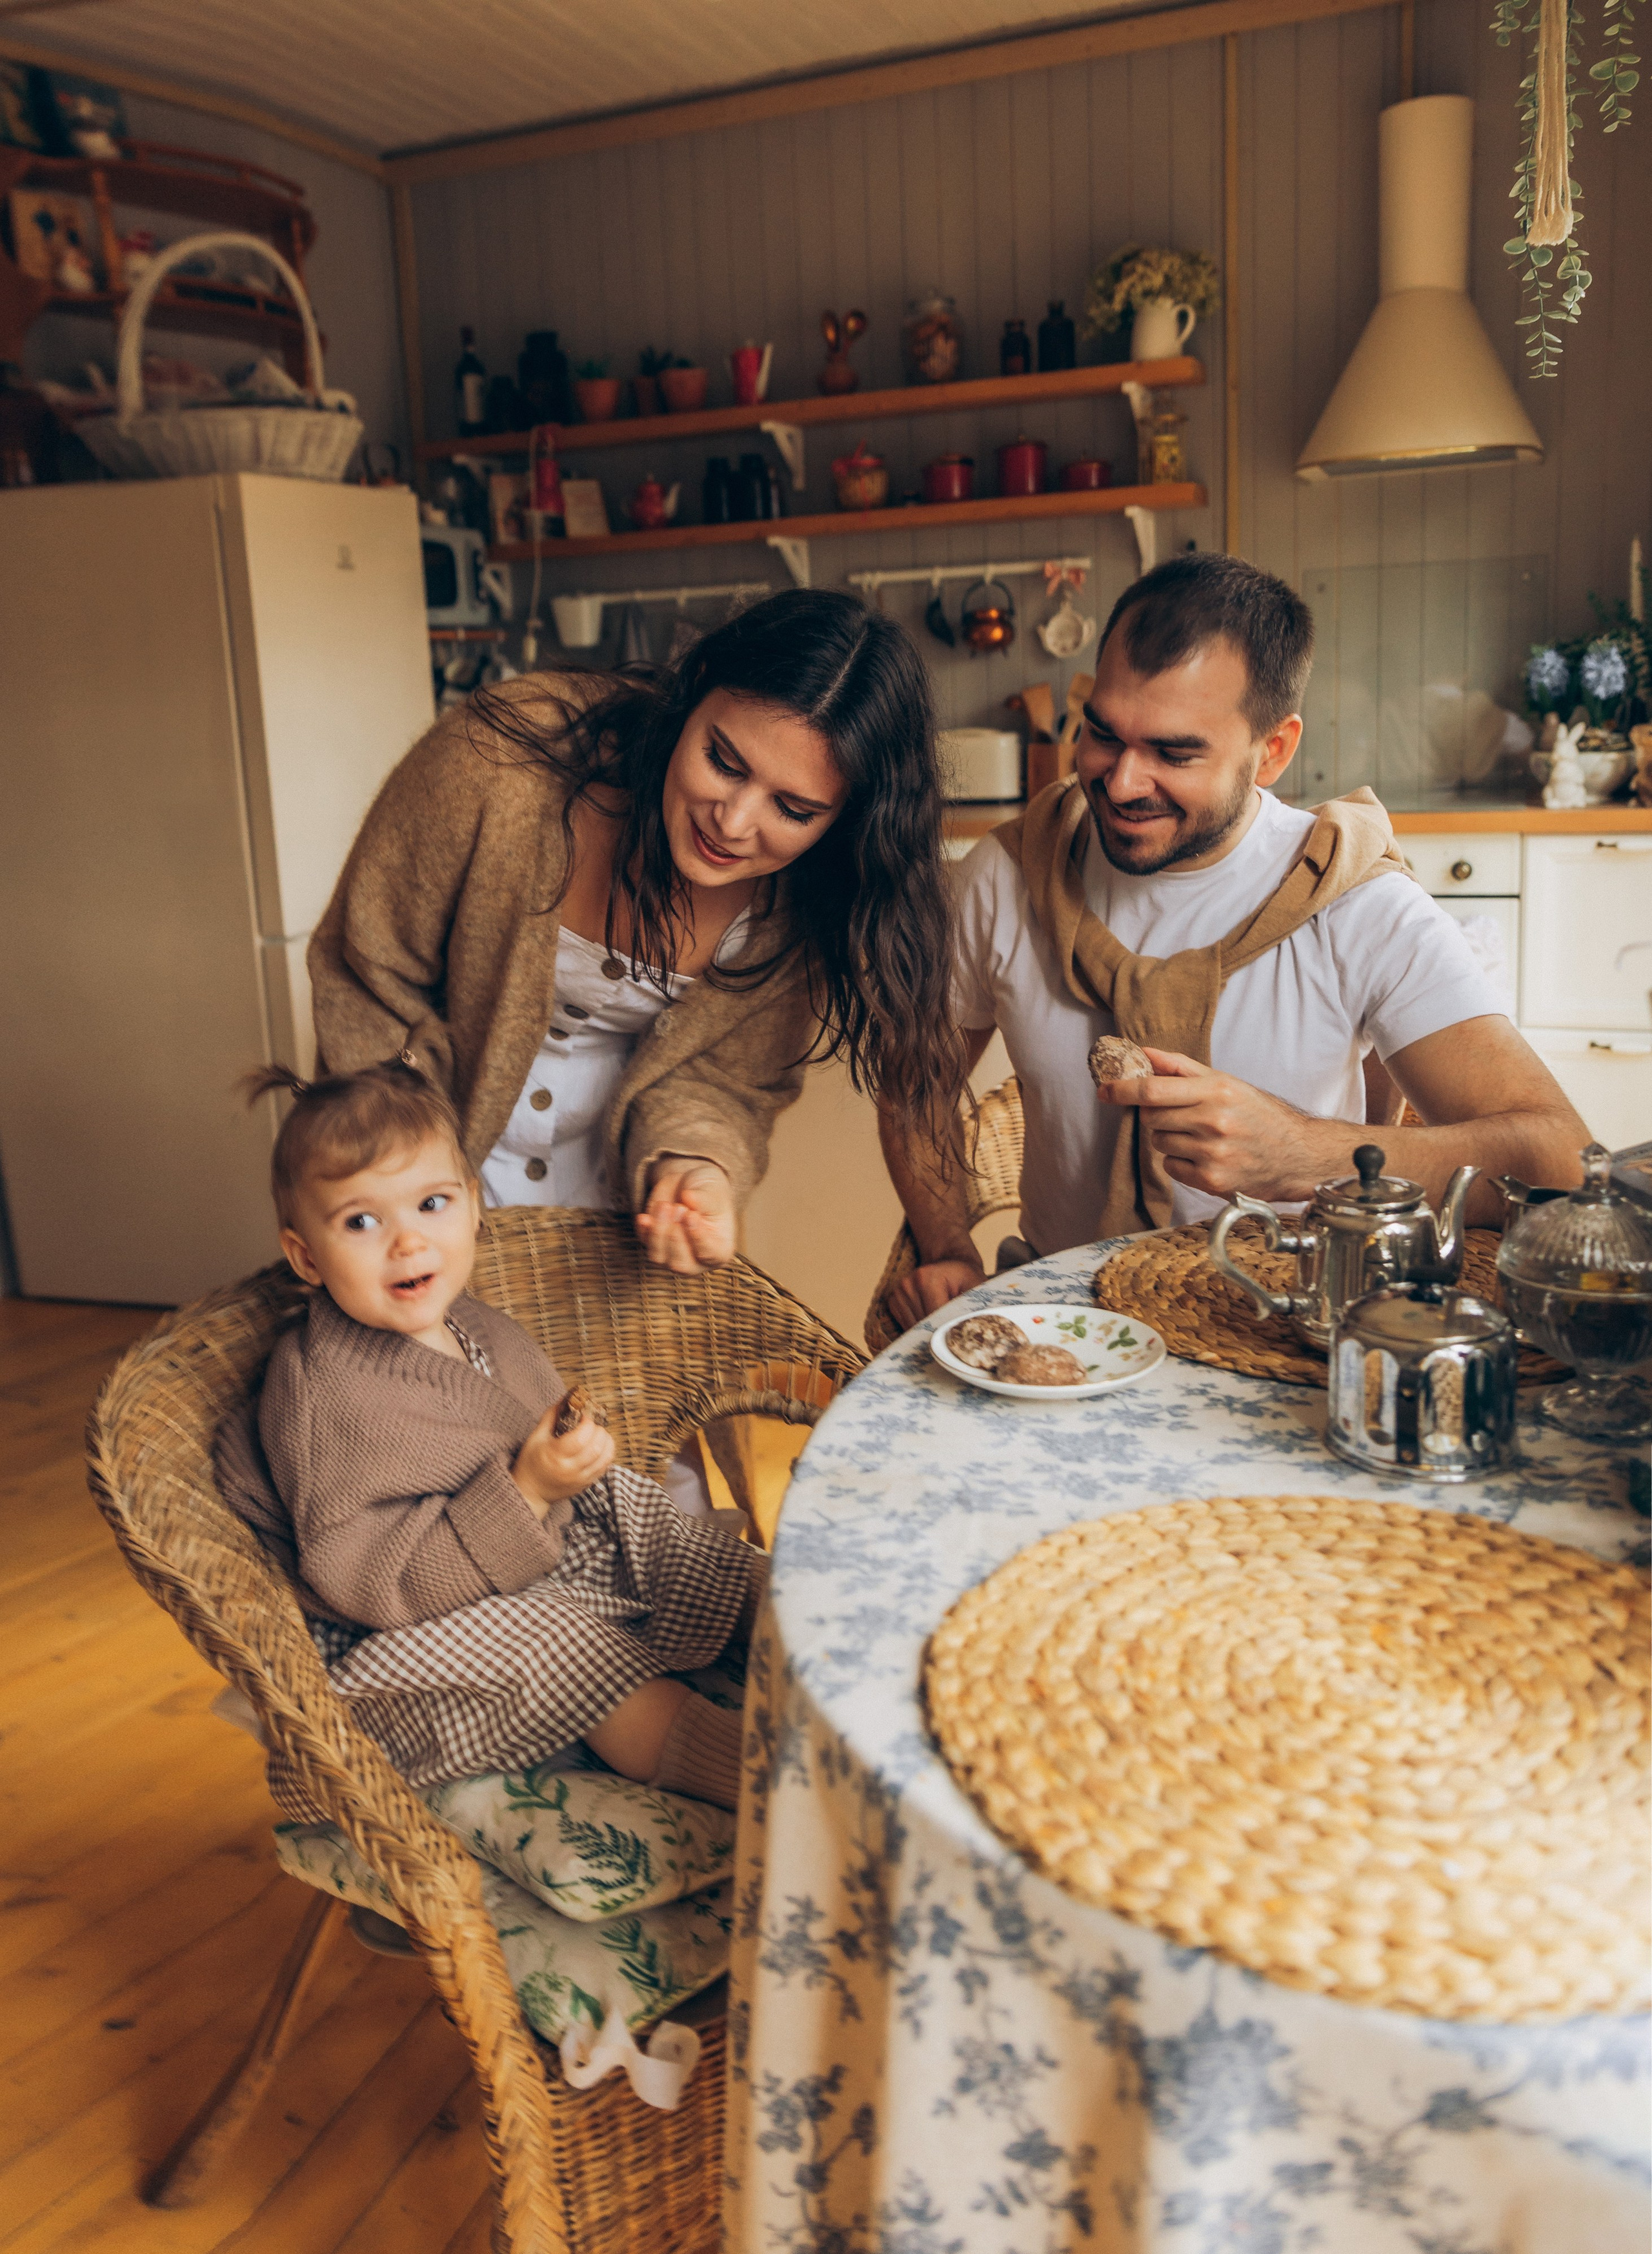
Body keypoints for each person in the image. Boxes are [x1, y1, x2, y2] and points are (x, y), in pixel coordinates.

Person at [882, 552, 1587, 1328]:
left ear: (1273, 751)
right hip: (1062, 1324)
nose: (1119, 783)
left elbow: (1559, 1161)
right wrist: (947, 1243)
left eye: (1174, 753)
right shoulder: (1008, 873)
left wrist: (1305, 1155)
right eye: (1103, 734)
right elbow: (914, 1075)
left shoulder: (1356, 903)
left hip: (1279, 1332)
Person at [310, 589, 962, 1280]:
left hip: (618, 1227)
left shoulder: (804, 899)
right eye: (724, 761)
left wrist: (695, 1166)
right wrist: (414, 1190)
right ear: (693, 693)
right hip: (413, 1189)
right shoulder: (497, 764)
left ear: (843, 820)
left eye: (793, 808)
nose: (733, 823)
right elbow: (368, 978)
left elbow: (721, 1080)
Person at [215, 1057, 766, 1812]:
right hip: (414, 1643)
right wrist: (530, 1489)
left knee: (666, 1530)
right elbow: (370, 1578)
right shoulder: (322, 1393)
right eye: (362, 1221)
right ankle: (754, 1772)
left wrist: (572, 1463)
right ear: (306, 1254)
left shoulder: (475, 1322)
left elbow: (531, 1431)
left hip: (531, 1563)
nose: (408, 1243)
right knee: (570, 1653)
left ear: (474, 1206)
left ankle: (795, 1621)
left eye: (432, 1203)